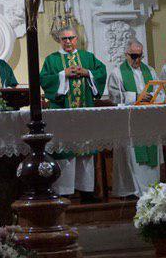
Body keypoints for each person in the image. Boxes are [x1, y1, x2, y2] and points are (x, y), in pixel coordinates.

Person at [39, 27, 107, 203]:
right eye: (64, 39)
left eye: (71, 38)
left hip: (85, 113)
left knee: (85, 151)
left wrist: (87, 73)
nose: (68, 42)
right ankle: (64, 191)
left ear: (77, 39)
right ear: (59, 40)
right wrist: (63, 74)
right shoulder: (52, 60)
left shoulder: (87, 57)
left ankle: (87, 191)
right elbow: (44, 80)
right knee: (65, 152)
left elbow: (101, 72)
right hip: (63, 114)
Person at [106, 39, 160, 198]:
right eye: (134, 56)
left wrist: (154, 97)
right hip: (129, 121)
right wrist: (136, 97)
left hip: (149, 120)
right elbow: (114, 96)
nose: (137, 60)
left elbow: (159, 91)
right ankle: (133, 190)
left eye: (140, 56)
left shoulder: (150, 70)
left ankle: (153, 190)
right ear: (126, 54)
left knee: (151, 157)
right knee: (132, 157)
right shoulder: (117, 72)